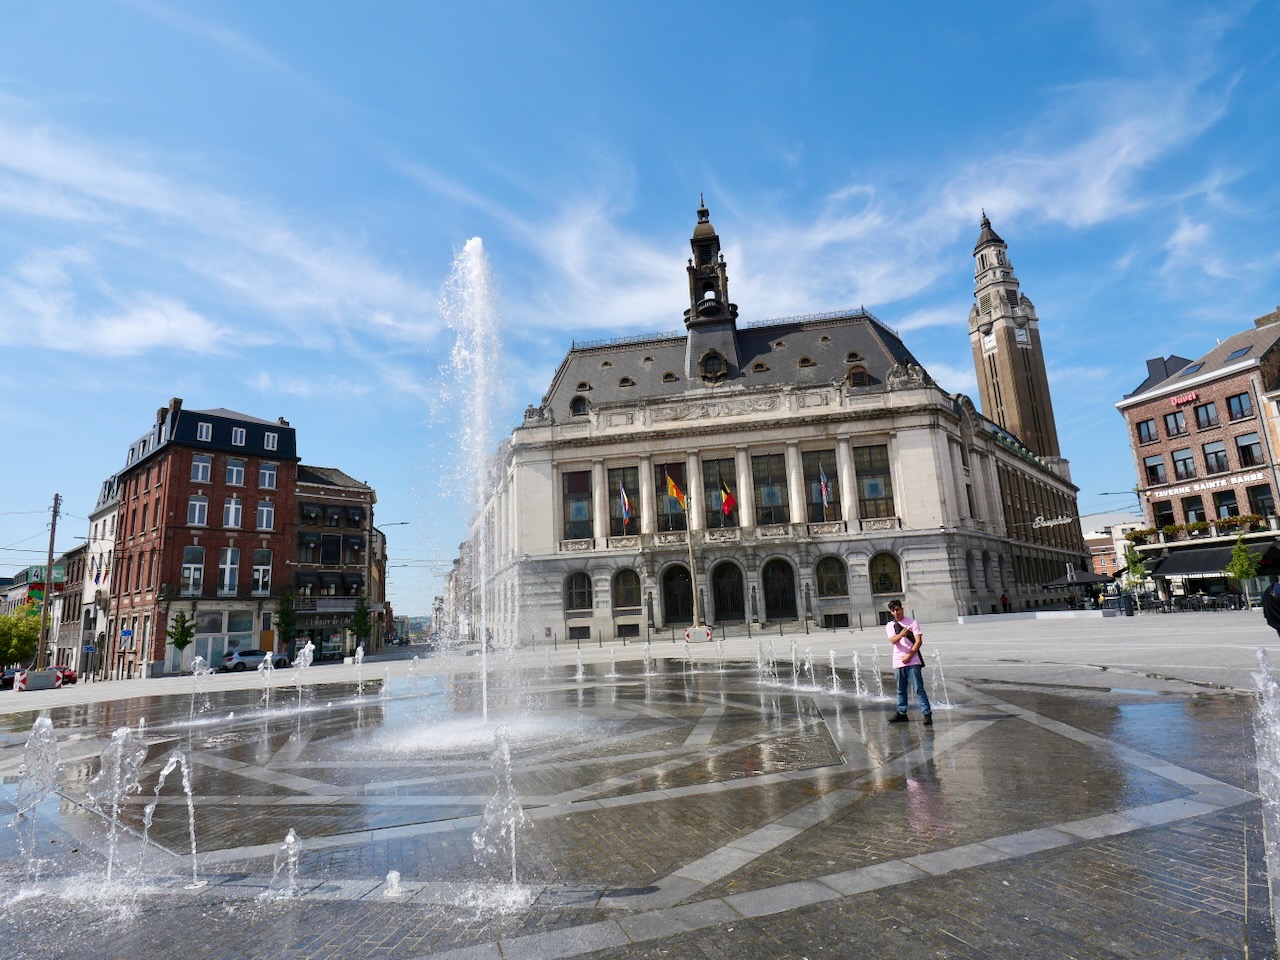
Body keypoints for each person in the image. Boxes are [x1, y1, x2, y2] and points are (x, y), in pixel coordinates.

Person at [886, 600, 932, 726]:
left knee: (918, 688)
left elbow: (918, 641)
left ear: (902, 609)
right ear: (891, 612)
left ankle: (927, 713)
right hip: (898, 661)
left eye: (898, 609)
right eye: (893, 610)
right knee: (900, 689)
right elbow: (893, 640)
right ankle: (901, 713)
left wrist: (910, 655)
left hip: (913, 661)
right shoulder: (890, 625)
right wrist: (901, 634)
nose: (896, 612)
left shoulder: (912, 622)